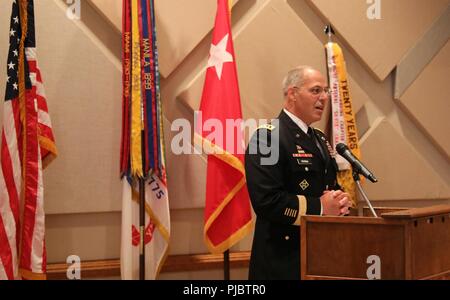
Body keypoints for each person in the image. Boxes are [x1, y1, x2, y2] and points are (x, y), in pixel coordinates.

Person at [245, 66, 351, 280]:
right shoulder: (267, 139)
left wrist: (340, 199)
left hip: (321, 255)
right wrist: (321, 207)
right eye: (315, 90)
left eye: (326, 91)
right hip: (282, 260)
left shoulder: (319, 138)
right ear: (292, 94)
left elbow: (328, 185)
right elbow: (267, 201)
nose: (324, 97)